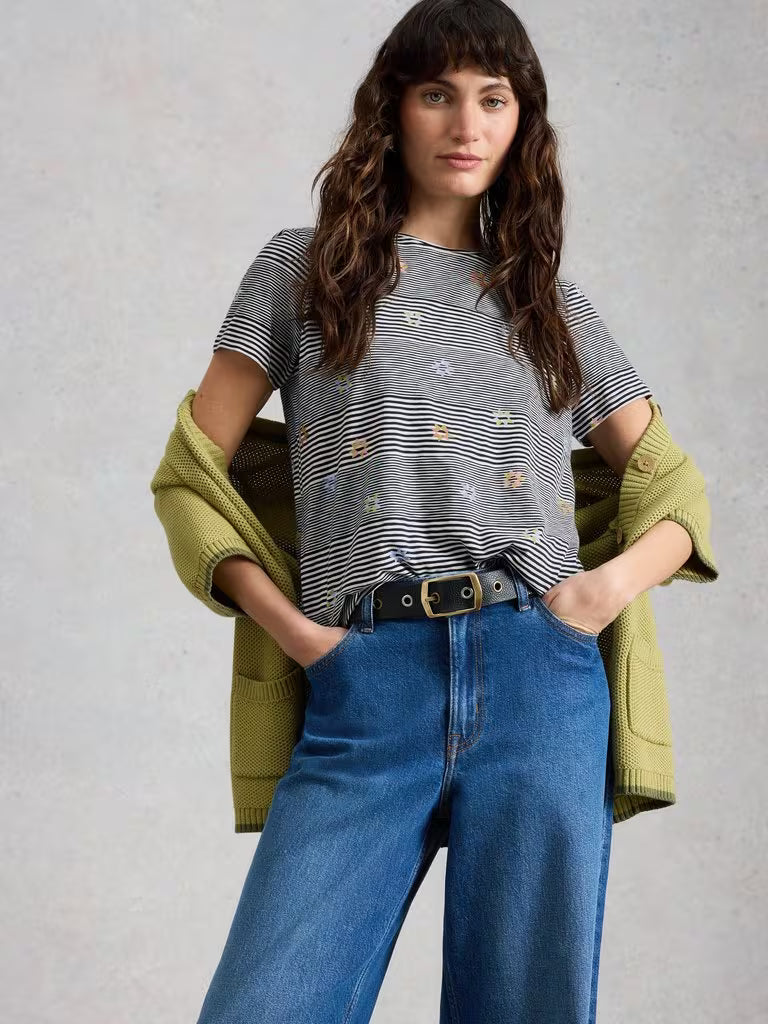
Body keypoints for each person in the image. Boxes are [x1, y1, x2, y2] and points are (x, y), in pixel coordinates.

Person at [190, 2, 697, 1021]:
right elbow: (191, 477)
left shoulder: (550, 306)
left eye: (492, 98)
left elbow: (675, 492)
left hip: (537, 676)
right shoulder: (304, 271)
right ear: (393, 110)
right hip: (367, 679)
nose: (466, 124)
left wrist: (594, 598)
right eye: (438, 94)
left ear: (522, 122)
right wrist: (302, 637)